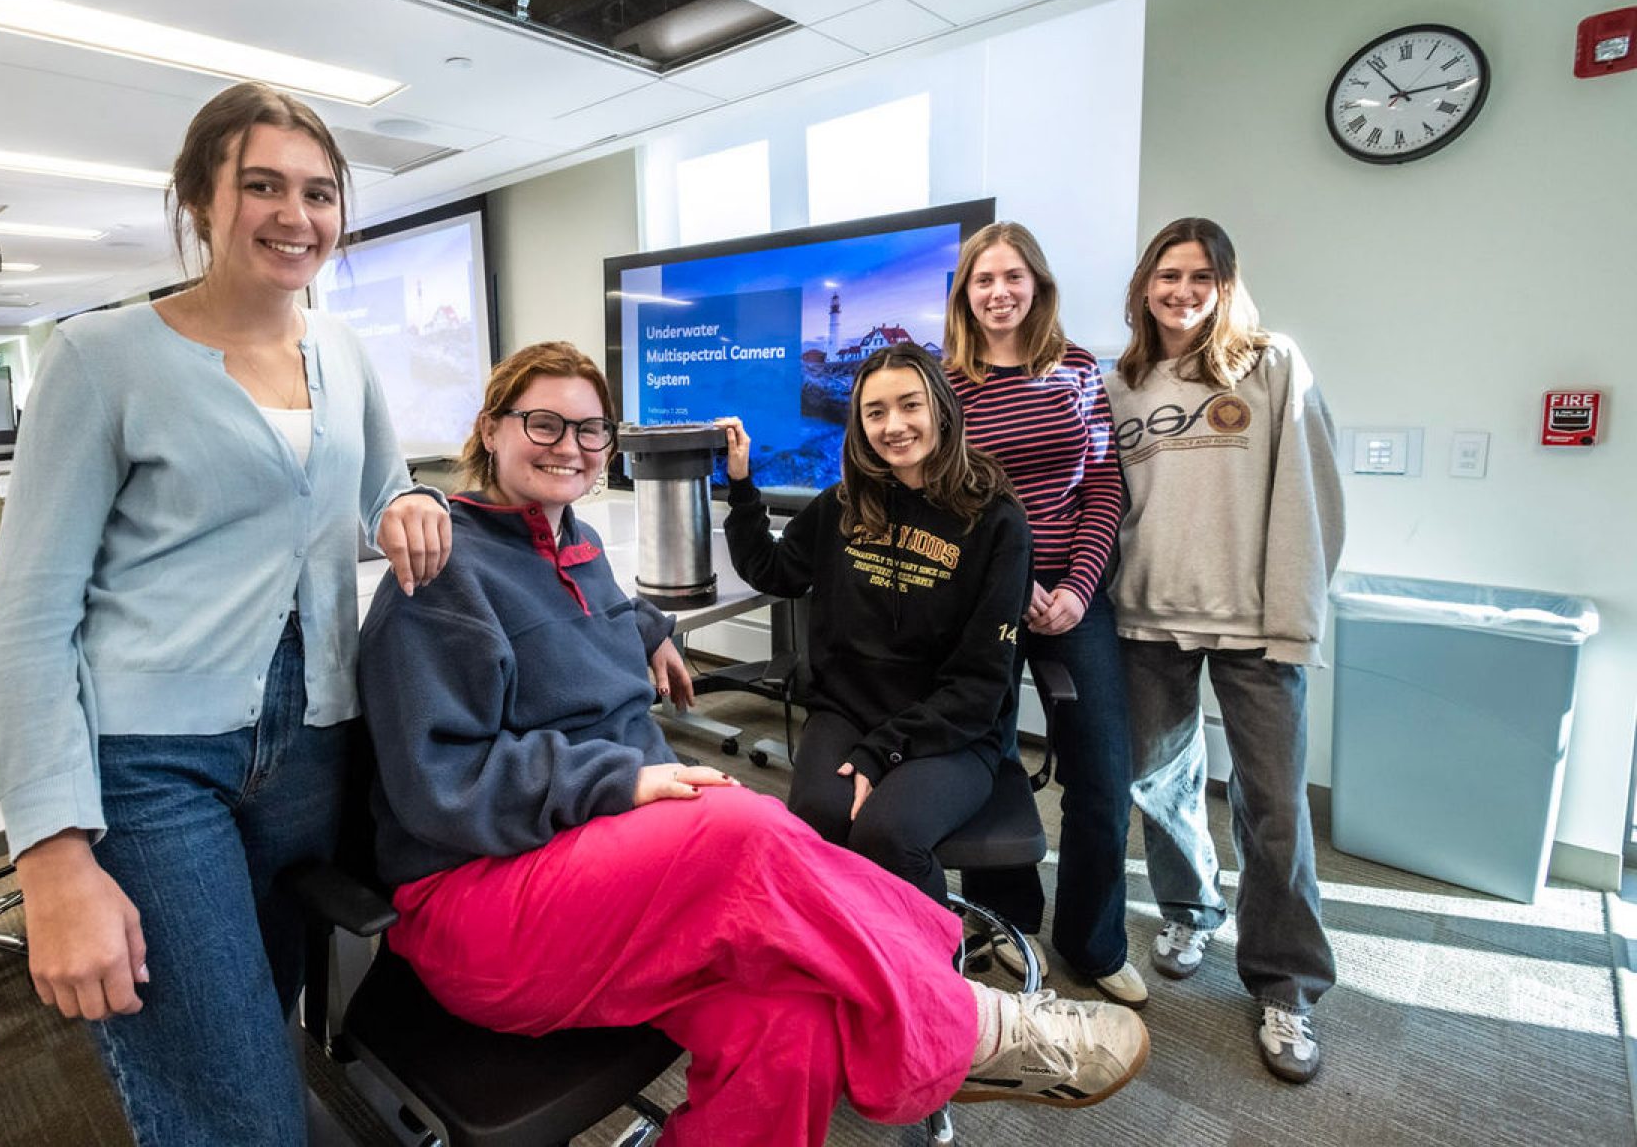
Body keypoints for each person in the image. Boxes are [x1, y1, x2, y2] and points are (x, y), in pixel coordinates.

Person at [357, 341, 1148, 1147]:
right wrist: (619, 783)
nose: (570, 446)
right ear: (490, 430)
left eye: (591, 431)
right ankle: (964, 1025)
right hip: (485, 900)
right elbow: (443, 783)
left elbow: (592, 606)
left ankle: (937, 1007)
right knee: (746, 826)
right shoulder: (442, 564)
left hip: (603, 875)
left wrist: (650, 630)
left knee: (793, 1024)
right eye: (544, 423)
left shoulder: (576, 542)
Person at [0, 81, 452, 1145]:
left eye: (319, 192)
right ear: (201, 198)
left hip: (312, 752)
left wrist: (410, 498)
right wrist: (50, 855)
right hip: (155, 766)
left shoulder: (344, 351)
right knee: (237, 1110)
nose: (297, 214)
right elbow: (25, 619)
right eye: (263, 185)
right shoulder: (102, 360)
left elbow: (381, 483)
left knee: (260, 1032)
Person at [1104, 217, 1344, 1083]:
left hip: (1255, 624)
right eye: (1167, 275)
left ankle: (1286, 984)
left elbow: (1313, 497)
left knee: (1274, 803)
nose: (1181, 291)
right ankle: (1190, 906)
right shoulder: (1119, 380)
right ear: (1143, 285)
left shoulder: (1272, 362)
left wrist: (1294, 615)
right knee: (1157, 780)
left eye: (1200, 276)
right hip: (1147, 617)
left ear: (1225, 283)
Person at [716, 342, 1030, 908]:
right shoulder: (844, 503)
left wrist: (882, 751)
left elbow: (982, 681)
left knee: (889, 834)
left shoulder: (995, 519)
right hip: (849, 709)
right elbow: (773, 569)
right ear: (859, 424)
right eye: (875, 412)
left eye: (910, 405)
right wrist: (741, 485)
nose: (894, 426)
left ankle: (935, 987)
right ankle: (851, 961)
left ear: (940, 408)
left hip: (952, 728)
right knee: (817, 816)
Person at [940, 222, 1144, 1009]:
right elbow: (941, 501)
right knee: (986, 761)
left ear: (1038, 285)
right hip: (983, 593)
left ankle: (1093, 943)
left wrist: (1078, 587)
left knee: (1101, 772)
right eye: (983, 279)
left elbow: (1103, 490)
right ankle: (1004, 919)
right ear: (966, 292)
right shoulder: (946, 382)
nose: (999, 292)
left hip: (1073, 591)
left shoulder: (1079, 370)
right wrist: (1009, 580)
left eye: (1013, 276)